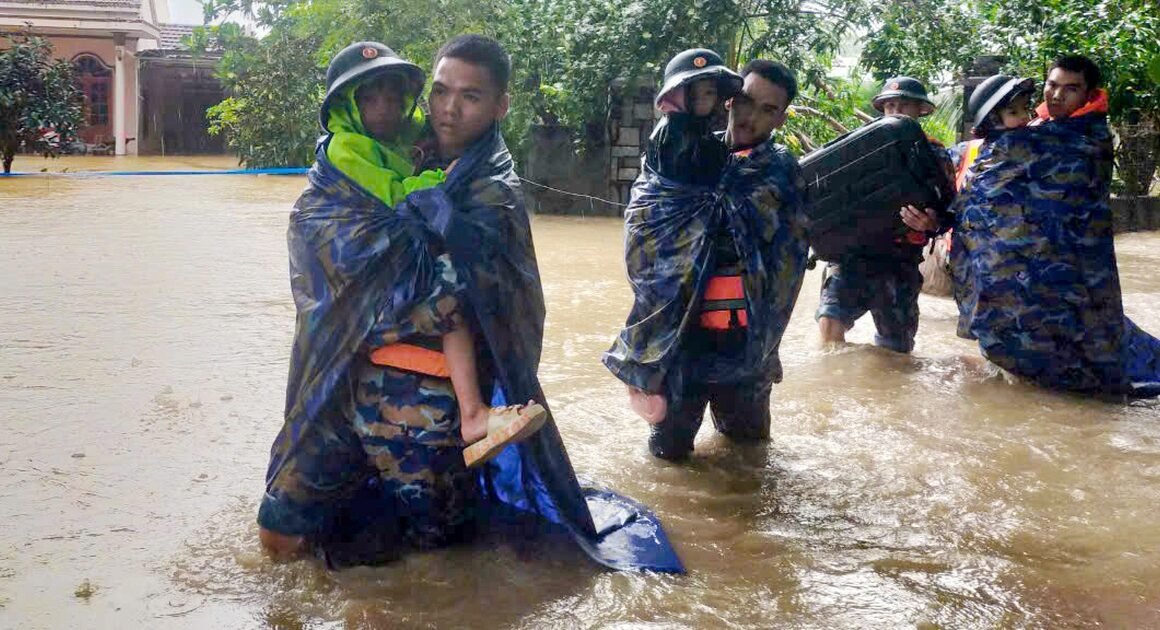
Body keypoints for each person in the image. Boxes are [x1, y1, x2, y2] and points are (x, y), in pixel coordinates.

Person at [259, 36, 684, 572]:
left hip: (426, 412)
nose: (448, 108)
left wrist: (429, 243)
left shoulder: (491, 193)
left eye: (470, 96)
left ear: (500, 106)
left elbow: (483, 295)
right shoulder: (375, 163)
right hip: (337, 390)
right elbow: (321, 258)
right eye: (440, 92)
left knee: (436, 567)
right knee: (281, 529)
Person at [606, 58, 810, 461]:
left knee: (749, 460)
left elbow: (789, 261)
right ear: (729, 99)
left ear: (781, 119)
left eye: (768, 109)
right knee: (668, 458)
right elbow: (644, 228)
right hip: (681, 339)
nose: (751, 116)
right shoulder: (680, 158)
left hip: (746, 343)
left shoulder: (781, 172)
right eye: (747, 101)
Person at [949, 55, 1160, 396]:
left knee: (1071, 352)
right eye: (1052, 85)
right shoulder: (1033, 132)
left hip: (1068, 268)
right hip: (1023, 276)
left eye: (1071, 89)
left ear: (1089, 95)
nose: (1057, 95)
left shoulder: (1085, 140)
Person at [815, 76, 951, 354]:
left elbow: (950, 209)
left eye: (904, 105)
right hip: (852, 255)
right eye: (890, 106)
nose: (896, 112)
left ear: (920, 111)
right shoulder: (858, 147)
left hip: (900, 263)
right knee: (829, 325)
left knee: (896, 354)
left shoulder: (935, 153)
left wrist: (931, 223)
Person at [644, 48, 742, 186]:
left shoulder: (699, 128)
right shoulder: (673, 133)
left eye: (709, 93)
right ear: (675, 96)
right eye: (692, 93)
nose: (701, 99)